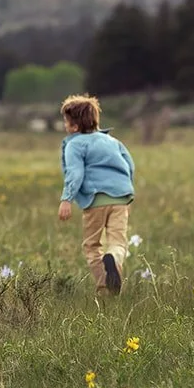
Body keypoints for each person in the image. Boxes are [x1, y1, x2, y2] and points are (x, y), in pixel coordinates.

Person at [55, 94, 135, 296]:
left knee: (92, 245)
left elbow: (75, 173)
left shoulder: (75, 144)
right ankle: (114, 260)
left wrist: (67, 199)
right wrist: (126, 193)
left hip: (95, 199)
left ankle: (104, 288)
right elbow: (129, 166)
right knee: (118, 242)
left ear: (74, 126)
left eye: (66, 121)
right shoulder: (112, 141)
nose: (65, 125)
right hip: (120, 198)